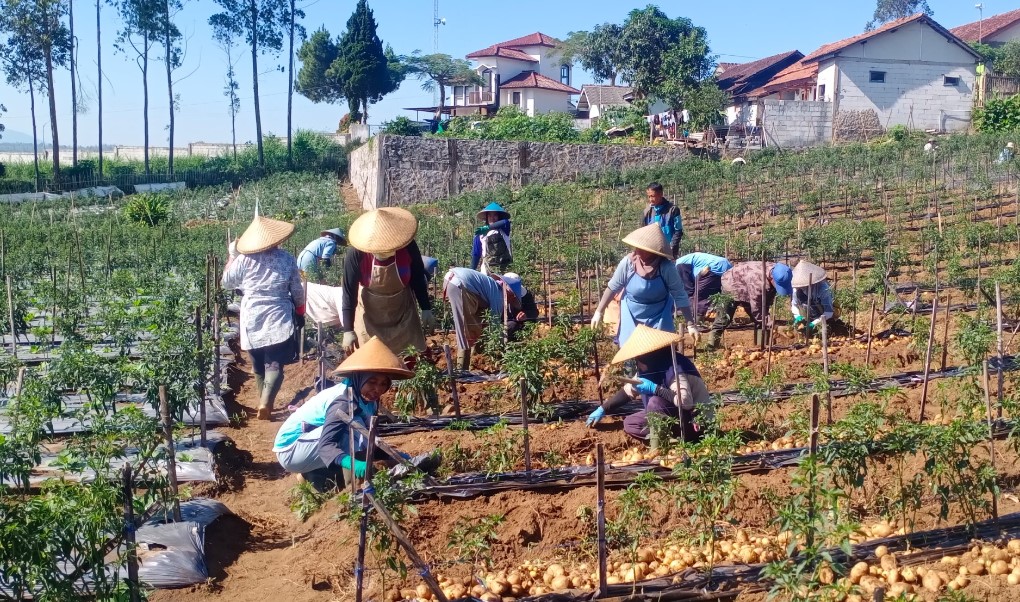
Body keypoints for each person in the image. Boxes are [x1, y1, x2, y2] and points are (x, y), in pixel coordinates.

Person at [273, 336, 413, 491]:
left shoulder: (368, 398)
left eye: (383, 384)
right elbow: (327, 445)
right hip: (291, 450)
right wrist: (354, 464)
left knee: (363, 435)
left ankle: (314, 475)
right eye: (372, 382)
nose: (378, 389)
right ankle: (353, 488)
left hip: (312, 443)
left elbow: (369, 437)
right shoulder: (343, 401)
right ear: (360, 378)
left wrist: (394, 456)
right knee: (353, 428)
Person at [222, 210, 306, 420]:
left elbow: (226, 282)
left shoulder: (245, 260)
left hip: (252, 315)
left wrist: (232, 256)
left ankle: (262, 402)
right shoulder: (286, 259)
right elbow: (296, 289)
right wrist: (300, 310)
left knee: (257, 363)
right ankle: (265, 402)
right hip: (278, 314)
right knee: (274, 363)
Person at [585, 324, 712, 448]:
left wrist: (655, 389)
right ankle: (669, 440)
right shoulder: (650, 369)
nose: (637, 364)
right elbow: (628, 391)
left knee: (655, 404)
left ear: (649, 357)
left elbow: (686, 402)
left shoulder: (675, 367)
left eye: (638, 360)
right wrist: (603, 409)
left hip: (695, 423)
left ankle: (660, 445)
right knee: (631, 423)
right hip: (675, 418)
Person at [340, 208, 435, 357]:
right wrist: (348, 329)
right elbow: (348, 292)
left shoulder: (408, 246)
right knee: (371, 358)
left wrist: (425, 308)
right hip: (370, 314)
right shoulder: (357, 253)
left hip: (403, 311)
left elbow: (417, 276)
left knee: (408, 358)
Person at [590, 224, 697, 347]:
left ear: (654, 252)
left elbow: (679, 294)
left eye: (643, 249)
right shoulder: (628, 263)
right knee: (630, 350)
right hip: (631, 312)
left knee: (660, 350)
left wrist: (691, 324)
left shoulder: (666, 268)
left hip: (659, 314)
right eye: (637, 247)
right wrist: (599, 312)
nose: (637, 251)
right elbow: (613, 287)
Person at [442, 267, 526, 371]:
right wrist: (501, 349)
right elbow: (494, 324)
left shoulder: (492, 287)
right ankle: (462, 369)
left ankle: (475, 357)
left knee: (475, 323)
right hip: (460, 284)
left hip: (453, 280)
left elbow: (484, 318)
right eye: (512, 300)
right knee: (466, 328)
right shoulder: (499, 295)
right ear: (510, 294)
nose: (510, 303)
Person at [707, 261, 793, 350]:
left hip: (747, 279)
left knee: (762, 319)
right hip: (731, 282)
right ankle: (711, 346)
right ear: (772, 279)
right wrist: (775, 326)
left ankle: (762, 345)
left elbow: (764, 305)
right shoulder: (758, 283)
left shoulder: (780, 271)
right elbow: (757, 310)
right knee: (724, 318)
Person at [676, 252, 733, 320]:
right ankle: (722, 318)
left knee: (699, 296)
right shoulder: (686, 260)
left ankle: (697, 321)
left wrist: (682, 310)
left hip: (713, 267)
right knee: (719, 293)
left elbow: (688, 289)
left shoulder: (679, 264)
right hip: (727, 265)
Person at [641, 182, 684, 259]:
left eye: (653, 196)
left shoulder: (673, 210)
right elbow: (644, 232)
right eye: (649, 196)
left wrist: (671, 247)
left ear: (661, 194)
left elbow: (678, 231)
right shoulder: (646, 212)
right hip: (653, 252)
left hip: (670, 253)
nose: (650, 199)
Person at [790, 260, 834, 334]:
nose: (799, 288)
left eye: (802, 285)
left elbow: (829, 312)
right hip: (808, 316)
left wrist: (814, 323)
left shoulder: (823, 289)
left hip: (825, 317)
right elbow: (794, 305)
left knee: (825, 331)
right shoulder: (796, 289)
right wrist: (797, 316)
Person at [471, 202, 513, 275]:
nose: (492, 218)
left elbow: (506, 222)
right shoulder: (480, 235)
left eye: (495, 215)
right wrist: (471, 272)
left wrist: (488, 227)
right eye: (489, 215)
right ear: (486, 217)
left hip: (505, 268)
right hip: (487, 270)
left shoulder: (504, 230)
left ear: (499, 217)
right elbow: (476, 255)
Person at [500, 272, 539, 340]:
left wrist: (526, 315)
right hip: (502, 324)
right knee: (510, 325)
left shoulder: (526, 296)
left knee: (512, 325)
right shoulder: (497, 295)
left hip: (519, 325)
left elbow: (534, 312)